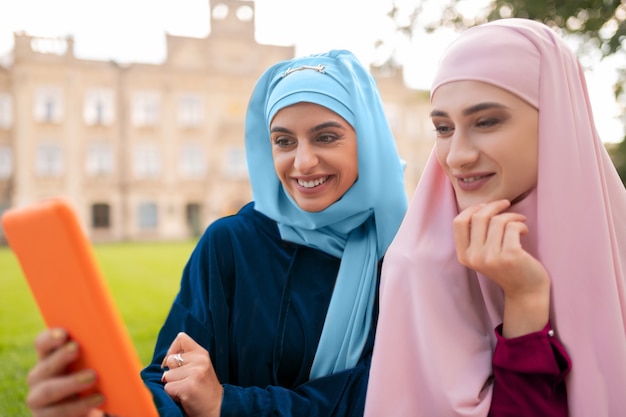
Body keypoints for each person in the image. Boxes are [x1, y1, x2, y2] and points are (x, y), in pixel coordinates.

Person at [25, 49, 408, 417]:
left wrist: (225, 406)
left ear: (368, 142)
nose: (302, 162)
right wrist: (103, 405)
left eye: (326, 137)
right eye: (284, 141)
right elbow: (171, 372)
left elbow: (382, 397)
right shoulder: (231, 244)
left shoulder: (403, 256)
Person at [364, 18, 626, 417]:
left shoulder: (617, 237)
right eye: (443, 128)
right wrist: (523, 301)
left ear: (557, 117)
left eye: (486, 122)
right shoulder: (420, 269)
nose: (456, 156)